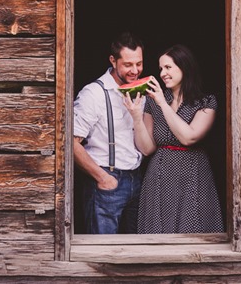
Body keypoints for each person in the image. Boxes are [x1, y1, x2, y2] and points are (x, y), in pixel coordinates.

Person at [123, 44, 224, 234]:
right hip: (159, 174)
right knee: (157, 232)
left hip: (193, 173)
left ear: (184, 67)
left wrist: (162, 103)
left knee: (193, 227)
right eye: (161, 68)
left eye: (168, 67)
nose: (162, 73)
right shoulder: (152, 102)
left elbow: (189, 137)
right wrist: (136, 117)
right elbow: (147, 148)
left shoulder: (206, 102)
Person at [73, 31, 145, 234]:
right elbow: (70, 142)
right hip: (106, 181)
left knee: (135, 252)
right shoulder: (93, 94)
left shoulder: (141, 91)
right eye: (128, 64)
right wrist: (103, 178)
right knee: (102, 251)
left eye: (138, 64)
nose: (135, 70)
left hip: (136, 179)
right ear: (113, 61)